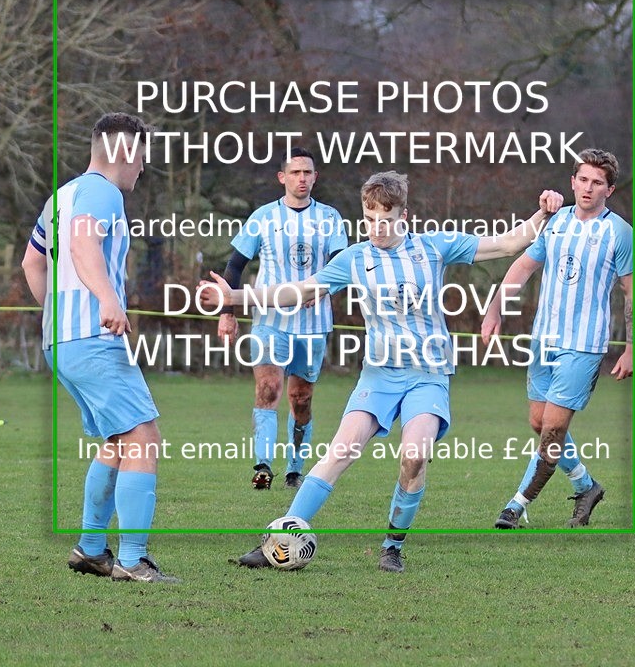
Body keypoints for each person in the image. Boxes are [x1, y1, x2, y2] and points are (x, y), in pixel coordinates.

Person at [201, 171, 563, 572]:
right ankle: (281, 538)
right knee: (340, 452)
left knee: (414, 457)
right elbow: (301, 290)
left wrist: (542, 214)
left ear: (403, 215)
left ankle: (392, 546)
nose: (376, 229)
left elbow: (509, 243)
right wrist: (234, 295)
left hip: (428, 375)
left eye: (385, 221)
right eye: (369, 220)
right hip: (379, 376)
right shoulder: (356, 258)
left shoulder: (433, 247)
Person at [21, 112, 179, 583]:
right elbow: (82, 244)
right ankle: (132, 561)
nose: (143, 169)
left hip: (62, 340)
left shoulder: (60, 195)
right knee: (144, 438)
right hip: (93, 338)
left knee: (119, 439)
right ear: (126, 152)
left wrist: (59, 313)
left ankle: (91, 550)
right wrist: (106, 298)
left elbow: (31, 262)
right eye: (142, 157)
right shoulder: (102, 192)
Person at [481, 149, 635, 529]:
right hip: (544, 340)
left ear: (610, 189)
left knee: (554, 429)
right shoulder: (554, 223)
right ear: (573, 182)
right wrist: (494, 309)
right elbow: (523, 266)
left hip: (583, 346)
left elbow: (632, 294)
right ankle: (586, 486)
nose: (589, 188)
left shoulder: (620, 233)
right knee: (539, 424)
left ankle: (516, 505)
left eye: (597, 182)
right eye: (583, 179)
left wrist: (632, 348)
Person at [217, 147, 347, 490]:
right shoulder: (263, 217)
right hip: (270, 321)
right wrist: (227, 314)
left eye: (307, 173)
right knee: (268, 387)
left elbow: (340, 266)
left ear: (315, 177)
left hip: (313, 325)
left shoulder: (331, 218)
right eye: (295, 173)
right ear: (282, 177)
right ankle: (262, 466)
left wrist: (321, 291)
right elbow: (234, 267)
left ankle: (294, 467)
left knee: (300, 399)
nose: (301, 178)